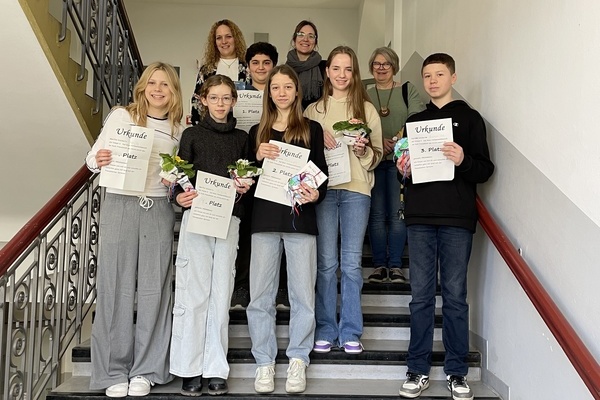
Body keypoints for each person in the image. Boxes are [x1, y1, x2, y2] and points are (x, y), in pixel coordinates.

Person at [397, 53, 494, 400]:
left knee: (455, 297)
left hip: (456, 218)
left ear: (453, 77)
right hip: (420, 218)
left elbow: (485, 169)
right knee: (420, 298)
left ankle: (456, 372)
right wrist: (403, 168)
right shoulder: (414, 121)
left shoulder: (470, 119)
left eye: (439, 74)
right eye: (427, 75)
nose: (433, 80)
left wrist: (463, 159)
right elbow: (403, 171)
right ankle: (417, 369)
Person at [86, 62, 184, 398]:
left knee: (155, 289)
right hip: (120, 203)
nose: (158, 89)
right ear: (143, 87)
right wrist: (97, 159)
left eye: (165, 85)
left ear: (174, 92)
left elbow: (177, 176)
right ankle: (113, 370)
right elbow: (92, 157)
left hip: (157, 207)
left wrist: (174, 182)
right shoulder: (121, 116)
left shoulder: (178, 128)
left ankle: (147, 369)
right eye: (152, 83)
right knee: (115, 285)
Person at [246, 65, 328, 394]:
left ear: (297, 91)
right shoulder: (257, 131)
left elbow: (321, 173)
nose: (281, 93)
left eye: (287, 87)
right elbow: (244, 180)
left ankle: (298, 359)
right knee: (260, 296)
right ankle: (264, 362)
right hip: (264, 219)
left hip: (300, 219)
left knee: (303, 296)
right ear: (269, 93)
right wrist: (256, 156)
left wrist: (316, 193)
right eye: (275, 87)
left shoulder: (312, 129)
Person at [169, 75, 251, 397]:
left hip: (229, 221)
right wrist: (178, 196)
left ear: (234, 101)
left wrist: (244, 187)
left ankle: (216, 368)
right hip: (198, 219)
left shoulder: (242, 139)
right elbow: (179, 177)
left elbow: (248, 179)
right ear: (203, 100)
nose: (220, 103)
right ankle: (190, 369)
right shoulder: (191, 135)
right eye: (214, 98)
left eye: (226, 98)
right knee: (194, 294)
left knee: (220, 295)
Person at [304, 46, 383, 355]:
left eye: (348, 69)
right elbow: (303, 157)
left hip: (356, 192)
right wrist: (317, 136)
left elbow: (377, 157)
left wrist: (363, 151)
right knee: (325, 264)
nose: (341, 74)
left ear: (354, 73)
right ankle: (325, 328)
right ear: (327, 72)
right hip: (323, 193)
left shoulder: (367, 110)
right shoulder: (312, 112)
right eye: (336, 68)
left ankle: (350, 330)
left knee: (351, 264)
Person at [365, 47, 425, 284]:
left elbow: (416, 118)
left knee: (398, 214)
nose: (381, 68)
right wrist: (378, 141)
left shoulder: (407, 90)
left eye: (386, 64)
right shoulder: (364, 93)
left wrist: (397, 139)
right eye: (377, 64)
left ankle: (396, 266)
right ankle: (379, 265)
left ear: (394, 66)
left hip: (400, 164)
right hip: (373, 161)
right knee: (377, 215)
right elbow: (358, 121)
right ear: (371, 67)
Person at [230, 41, 279, 309]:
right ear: (247, 67)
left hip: (276, 169)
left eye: (266, 63)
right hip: (245, 163)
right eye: (255, 63)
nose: (261, 68)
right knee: (245, 228)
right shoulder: (237, 94)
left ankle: (279, 286)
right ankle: (242, 286)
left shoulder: (279, 92)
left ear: (274, 66)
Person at [190, 19, 249, 125]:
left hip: (243, 127)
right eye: (219, 38)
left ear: (236, 39)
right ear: (214, 42)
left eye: (228, 36)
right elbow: (197, 101)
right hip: (211, 129)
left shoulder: (248, 69)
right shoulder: (207, 70)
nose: (224, 41)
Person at [285, 20, 326, 109]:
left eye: (311, 36)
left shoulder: (325, 67)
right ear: (294, 39)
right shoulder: (285, 70)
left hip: (317, 115)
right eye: (301, 34)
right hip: (291, 115)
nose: (305, 39)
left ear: (315, 42)